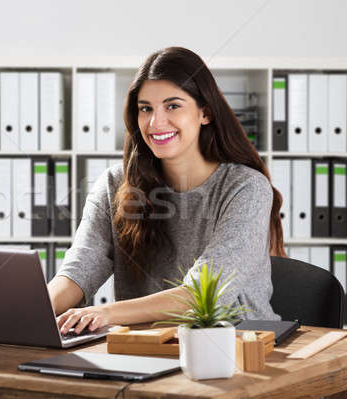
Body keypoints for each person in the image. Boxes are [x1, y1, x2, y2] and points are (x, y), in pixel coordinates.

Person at [48, 47, 285, 335]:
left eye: (173, 106)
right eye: (145, 108)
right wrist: (33, 309)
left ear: (205, 113)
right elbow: (80, 269)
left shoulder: (245, 188)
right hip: (143, 347)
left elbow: (199, 295)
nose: (155, 123)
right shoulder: (115, 184)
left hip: (237, 347)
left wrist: (103, 313)